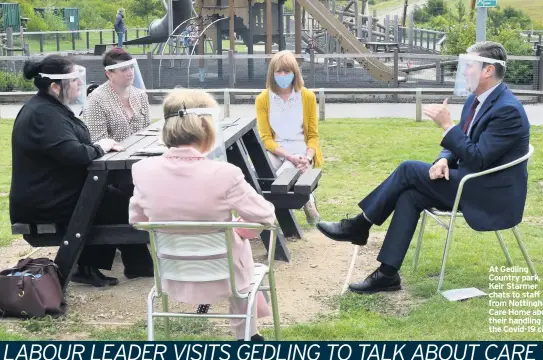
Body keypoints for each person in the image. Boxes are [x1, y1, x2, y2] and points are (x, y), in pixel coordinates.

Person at [316, 41, 531, 294]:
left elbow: (478, 159)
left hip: (488, 194)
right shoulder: (477, 101)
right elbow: (460, 144)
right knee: (410, 195)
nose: (463, 72)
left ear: (488, 71)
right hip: (470, 181)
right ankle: (387, 274)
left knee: (408, 169)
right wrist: (443, 159)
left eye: (469, 66)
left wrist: (447, 126)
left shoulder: (508, 111)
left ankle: (359, 224)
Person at [129, 88, 275, 341]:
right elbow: (266, 215)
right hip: (225, 276)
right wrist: (240, 229)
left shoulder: (142, 170)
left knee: (234, 242)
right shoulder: (224, 174)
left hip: (172, 274)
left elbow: (138, 221)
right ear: (207, 128)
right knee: (238, 247)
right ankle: (247, 336)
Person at [10, 55, 154, 288]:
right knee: (117, 204)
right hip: (44, 200)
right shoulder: (43, 114)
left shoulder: (50, 108)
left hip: (56, 191)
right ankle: (91, 266)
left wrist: (96, 147)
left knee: (116, 200)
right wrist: (99, 147)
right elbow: (73, 154)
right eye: (74, 80)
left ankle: (132, 264)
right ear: (55, 86)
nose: (80, 83)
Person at [255, 50, 323, 225]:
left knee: (287, 170)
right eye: (279, 71)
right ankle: (305, 199)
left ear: (294, 73)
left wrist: (307, 157)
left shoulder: (306, 96)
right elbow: (266, 138)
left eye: (287, 71)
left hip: (301, 148)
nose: (283, 75)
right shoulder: (263, 99)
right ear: (272, 73)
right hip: (275, 148)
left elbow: (313, 135)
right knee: (257, 170)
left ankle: (304, 200)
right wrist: (288, 155)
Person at [83, 48, 150, 143]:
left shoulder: (141, 95)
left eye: (131, 67)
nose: (130, 72)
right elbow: (98, 142)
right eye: (124, 70)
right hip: (112, 157)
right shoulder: (96, 100)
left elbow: (149, 133)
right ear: (109, 74)